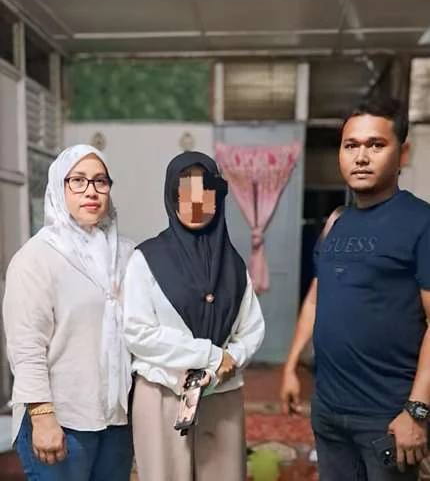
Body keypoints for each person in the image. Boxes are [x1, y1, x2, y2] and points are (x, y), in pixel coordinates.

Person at [280, 96, 430, 481]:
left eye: (375, 145)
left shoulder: (421, 222)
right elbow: (316, 298)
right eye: (351, 146)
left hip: (387, 416)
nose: (361, 157)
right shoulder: (336, 222)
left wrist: (417, 410)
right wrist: (291, 365)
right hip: (329, 411)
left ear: (402, 153)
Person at [123, 151, 265, 481]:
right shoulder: (146, 259)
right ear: (172, 197)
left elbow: (252, 327)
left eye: (206, 193)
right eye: (186, 193)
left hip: (222, 393)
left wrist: (232, 358)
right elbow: (139, 333)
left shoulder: (233, 264)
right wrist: (211, 355)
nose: (196, 203)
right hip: (163, 395)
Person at [3, 145, 134, 481]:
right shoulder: (36, 258)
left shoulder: (126, 254)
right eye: (77, 180)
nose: (91, 191)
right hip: (61, 418)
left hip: (116, 418)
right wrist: (42, 415)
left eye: (100, 181)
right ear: (58, 188)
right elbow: (26, 346)